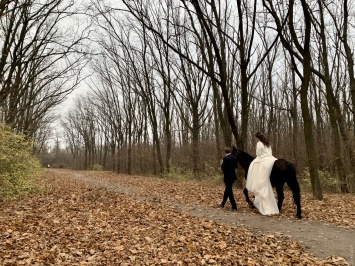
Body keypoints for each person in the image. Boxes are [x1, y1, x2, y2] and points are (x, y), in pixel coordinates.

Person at [245, 132, 279, 215]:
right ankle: (271, 207)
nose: (255, 140)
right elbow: (269, 153)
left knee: (253, 165)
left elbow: (258, 154)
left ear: (258, 138)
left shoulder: (259, 143)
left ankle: (257, 183)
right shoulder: (268, 144)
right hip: (270, 158)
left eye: (255, 138)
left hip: (262, 159)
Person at [220, 147, 238, 211]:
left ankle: (234, 206)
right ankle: (223, 203)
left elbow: (223, 168)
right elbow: (236, 166)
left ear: (225, 152)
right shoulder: (234, 158)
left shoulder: (225, 158)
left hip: (227, 177)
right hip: (233, 176)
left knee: (229, 191)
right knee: (227, 189)